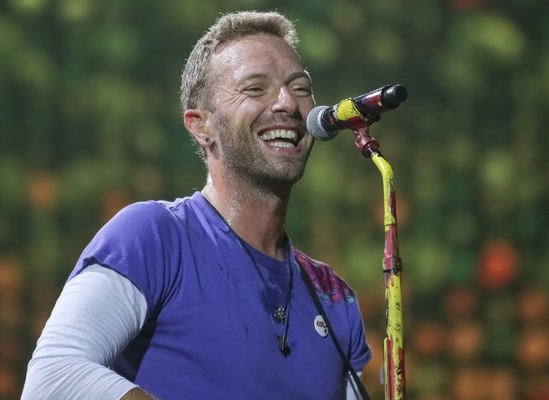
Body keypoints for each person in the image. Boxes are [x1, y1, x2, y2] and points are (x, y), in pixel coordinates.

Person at [21, 10, 372, 400]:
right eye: (255, 89)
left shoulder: (333, 296)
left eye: (300, 87)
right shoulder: (152, 236)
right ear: (200, 125)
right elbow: (52, 377)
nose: (287, 103)